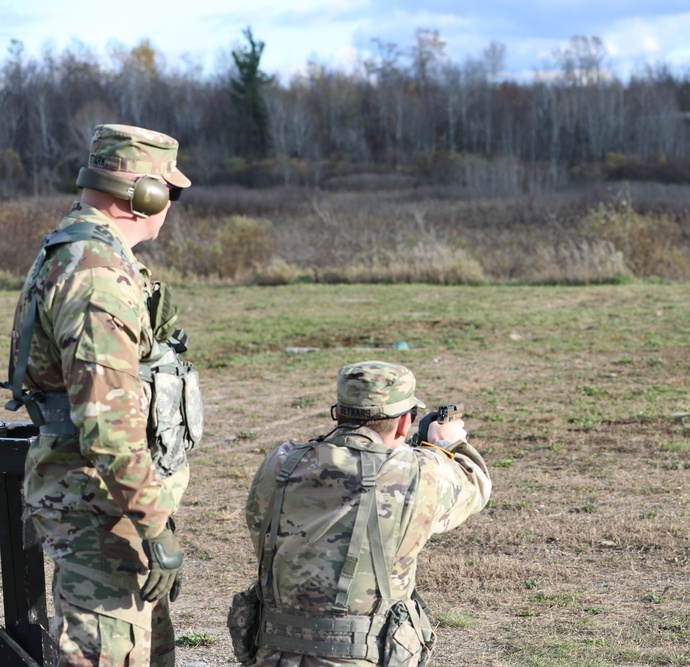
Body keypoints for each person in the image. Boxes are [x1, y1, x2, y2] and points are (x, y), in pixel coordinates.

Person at [5, 124, 198, 666]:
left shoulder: (84, 251)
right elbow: (109, 427)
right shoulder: (96, 273)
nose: (171, 205)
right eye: (170, 192)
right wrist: (155, 524)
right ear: (145, 194)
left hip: (105, 500)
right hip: (100, 505)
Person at [239, 361, 491, 667]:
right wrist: (450, 443)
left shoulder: (281, 462)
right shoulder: (418, 472)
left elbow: (259, 520)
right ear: (402, 424)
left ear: (339, 412)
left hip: (273, 655)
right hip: (364, 656)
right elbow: (475, 485)